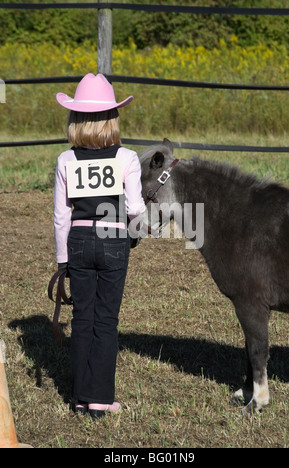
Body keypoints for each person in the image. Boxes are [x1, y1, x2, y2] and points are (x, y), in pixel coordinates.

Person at [54, 73, 145, 419]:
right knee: (106, 320)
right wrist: (135, 234)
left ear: (75, 119)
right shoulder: (128, 158)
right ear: (113, 118)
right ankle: (101, 399)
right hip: (113, 238)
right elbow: (135, 209)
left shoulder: (66, 160)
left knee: (82, 317)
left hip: (78, 239)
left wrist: (63, 259)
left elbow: (61, 216)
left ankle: (79, 397)